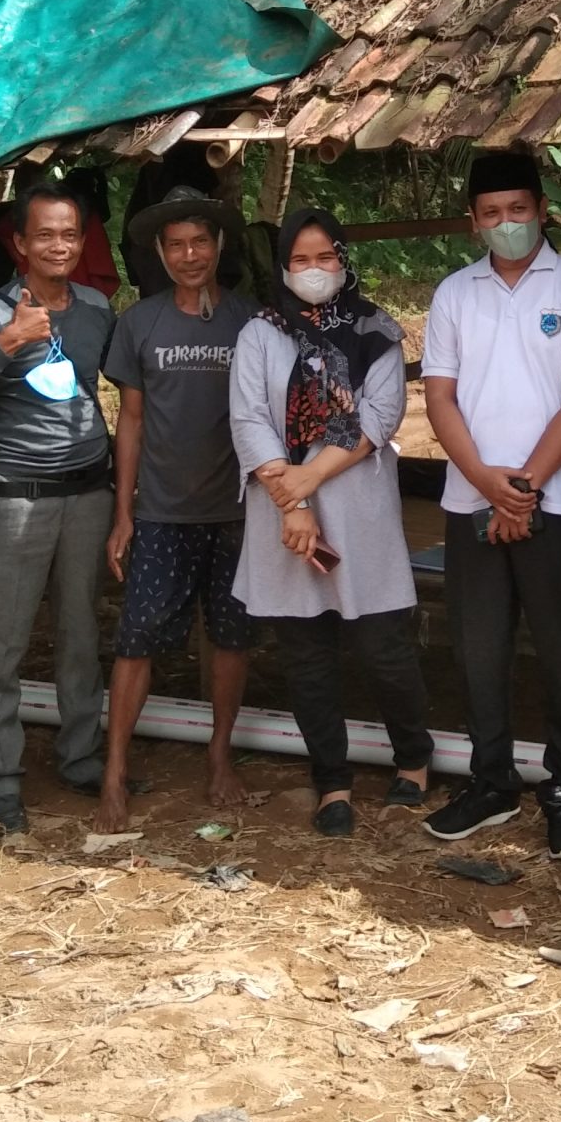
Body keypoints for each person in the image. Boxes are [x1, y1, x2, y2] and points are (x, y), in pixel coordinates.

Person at [419, 151, 561, 861]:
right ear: (474, 222)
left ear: (542, 211)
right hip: (473, 500)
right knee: (478, 646)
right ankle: (491, 781)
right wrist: (486, 482)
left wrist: (522, 487)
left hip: (553, 502)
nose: (506, 224)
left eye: (519, 210)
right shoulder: (453, 295)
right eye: (492, 214)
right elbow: (438, 396)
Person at [229, 209, 433, 836]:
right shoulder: (260, 333)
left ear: (343, 260)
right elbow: (249, 418)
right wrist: (291, 504)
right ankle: (332, 780)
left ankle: (414, 758)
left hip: (357, 508)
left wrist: (308, 482)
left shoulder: (376, 330)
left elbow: (379, 417)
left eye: (324, 258)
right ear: (283, 266)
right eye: (300, 260)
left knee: (384, 647)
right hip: (283, 517)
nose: (313, 271)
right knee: (304, 654)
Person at [0, 179, 117, 834]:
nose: (59, 245)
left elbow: (119, 387)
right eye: (45, 234)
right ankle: (3, 778)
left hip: (90, 493)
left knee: (81, 636)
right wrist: (7, 342)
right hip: (17, 500)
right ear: (20, 243)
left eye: (70, 234)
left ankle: (80, 756)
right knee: (4, 646)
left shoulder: (96, 308)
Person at [96, 186, 258, 834]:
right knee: (136, 639)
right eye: (176, 245)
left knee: (232, 637)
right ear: (160, 255)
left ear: (219, 247)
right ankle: (114, 769)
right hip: (161, 512)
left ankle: (219, 755)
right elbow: (129, 422)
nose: (190, 255)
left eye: (200, 242)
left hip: (238, 512)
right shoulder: (141, 323)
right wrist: (124, 511)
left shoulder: (250, 322)